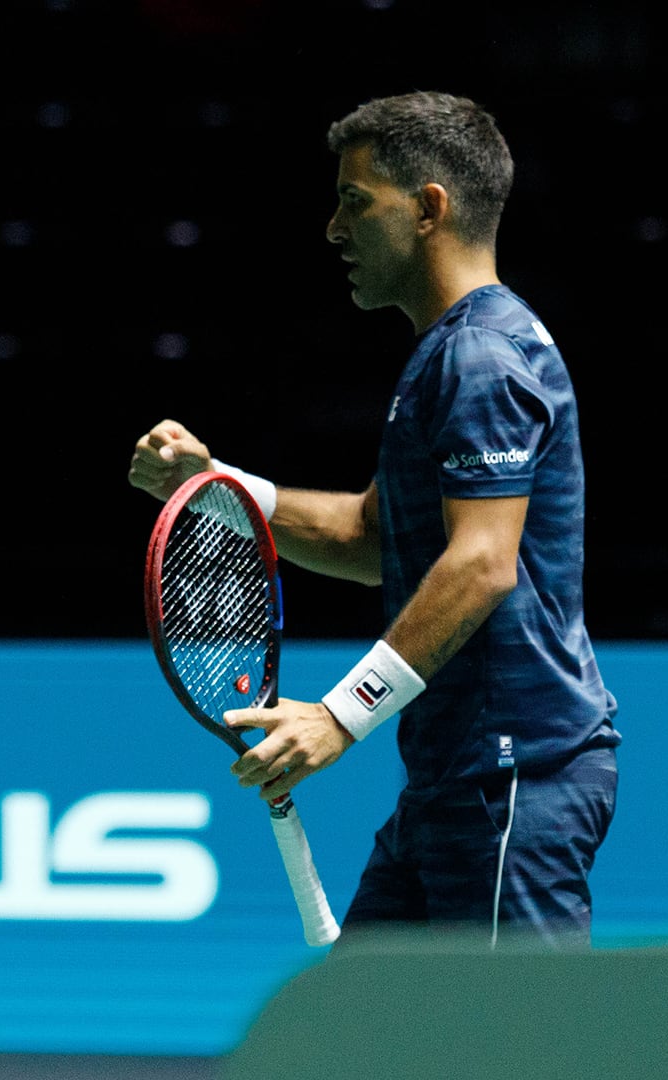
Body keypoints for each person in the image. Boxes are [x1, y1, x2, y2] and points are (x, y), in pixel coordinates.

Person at [128, 91, 619, 949]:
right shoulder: (448, 353)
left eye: (356, 202)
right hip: (451, 780)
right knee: (357, 1045)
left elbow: (480, 564)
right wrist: (221, 483)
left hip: (514, 778)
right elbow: (374, 540)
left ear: (430, 207)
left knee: (538, 1055)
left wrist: (339, 716)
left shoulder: (480, 356)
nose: (333, 228)